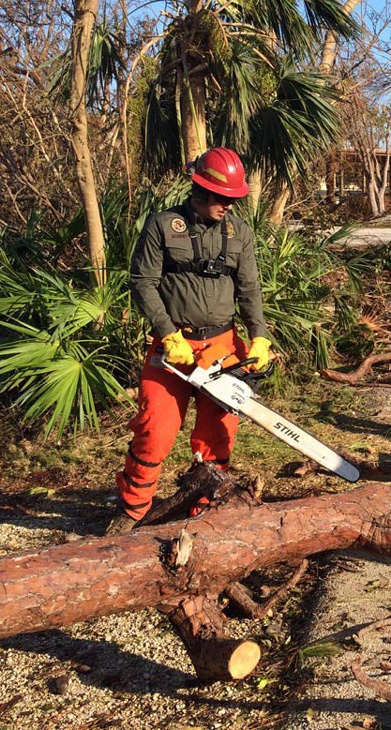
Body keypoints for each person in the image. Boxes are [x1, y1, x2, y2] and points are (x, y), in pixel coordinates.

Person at [107, 147, 274, 535]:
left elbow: (249, 289)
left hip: (224, 346)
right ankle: (134, 508)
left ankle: (203, 506)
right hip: (174, 350)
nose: (229, 206)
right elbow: (142, 281)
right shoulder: (163, 226)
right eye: (223, 198)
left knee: (217, 435)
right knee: (154, 428)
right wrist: (167, 332)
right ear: (200, 190)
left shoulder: (239, 233)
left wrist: (259, 337)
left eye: (234, 199)